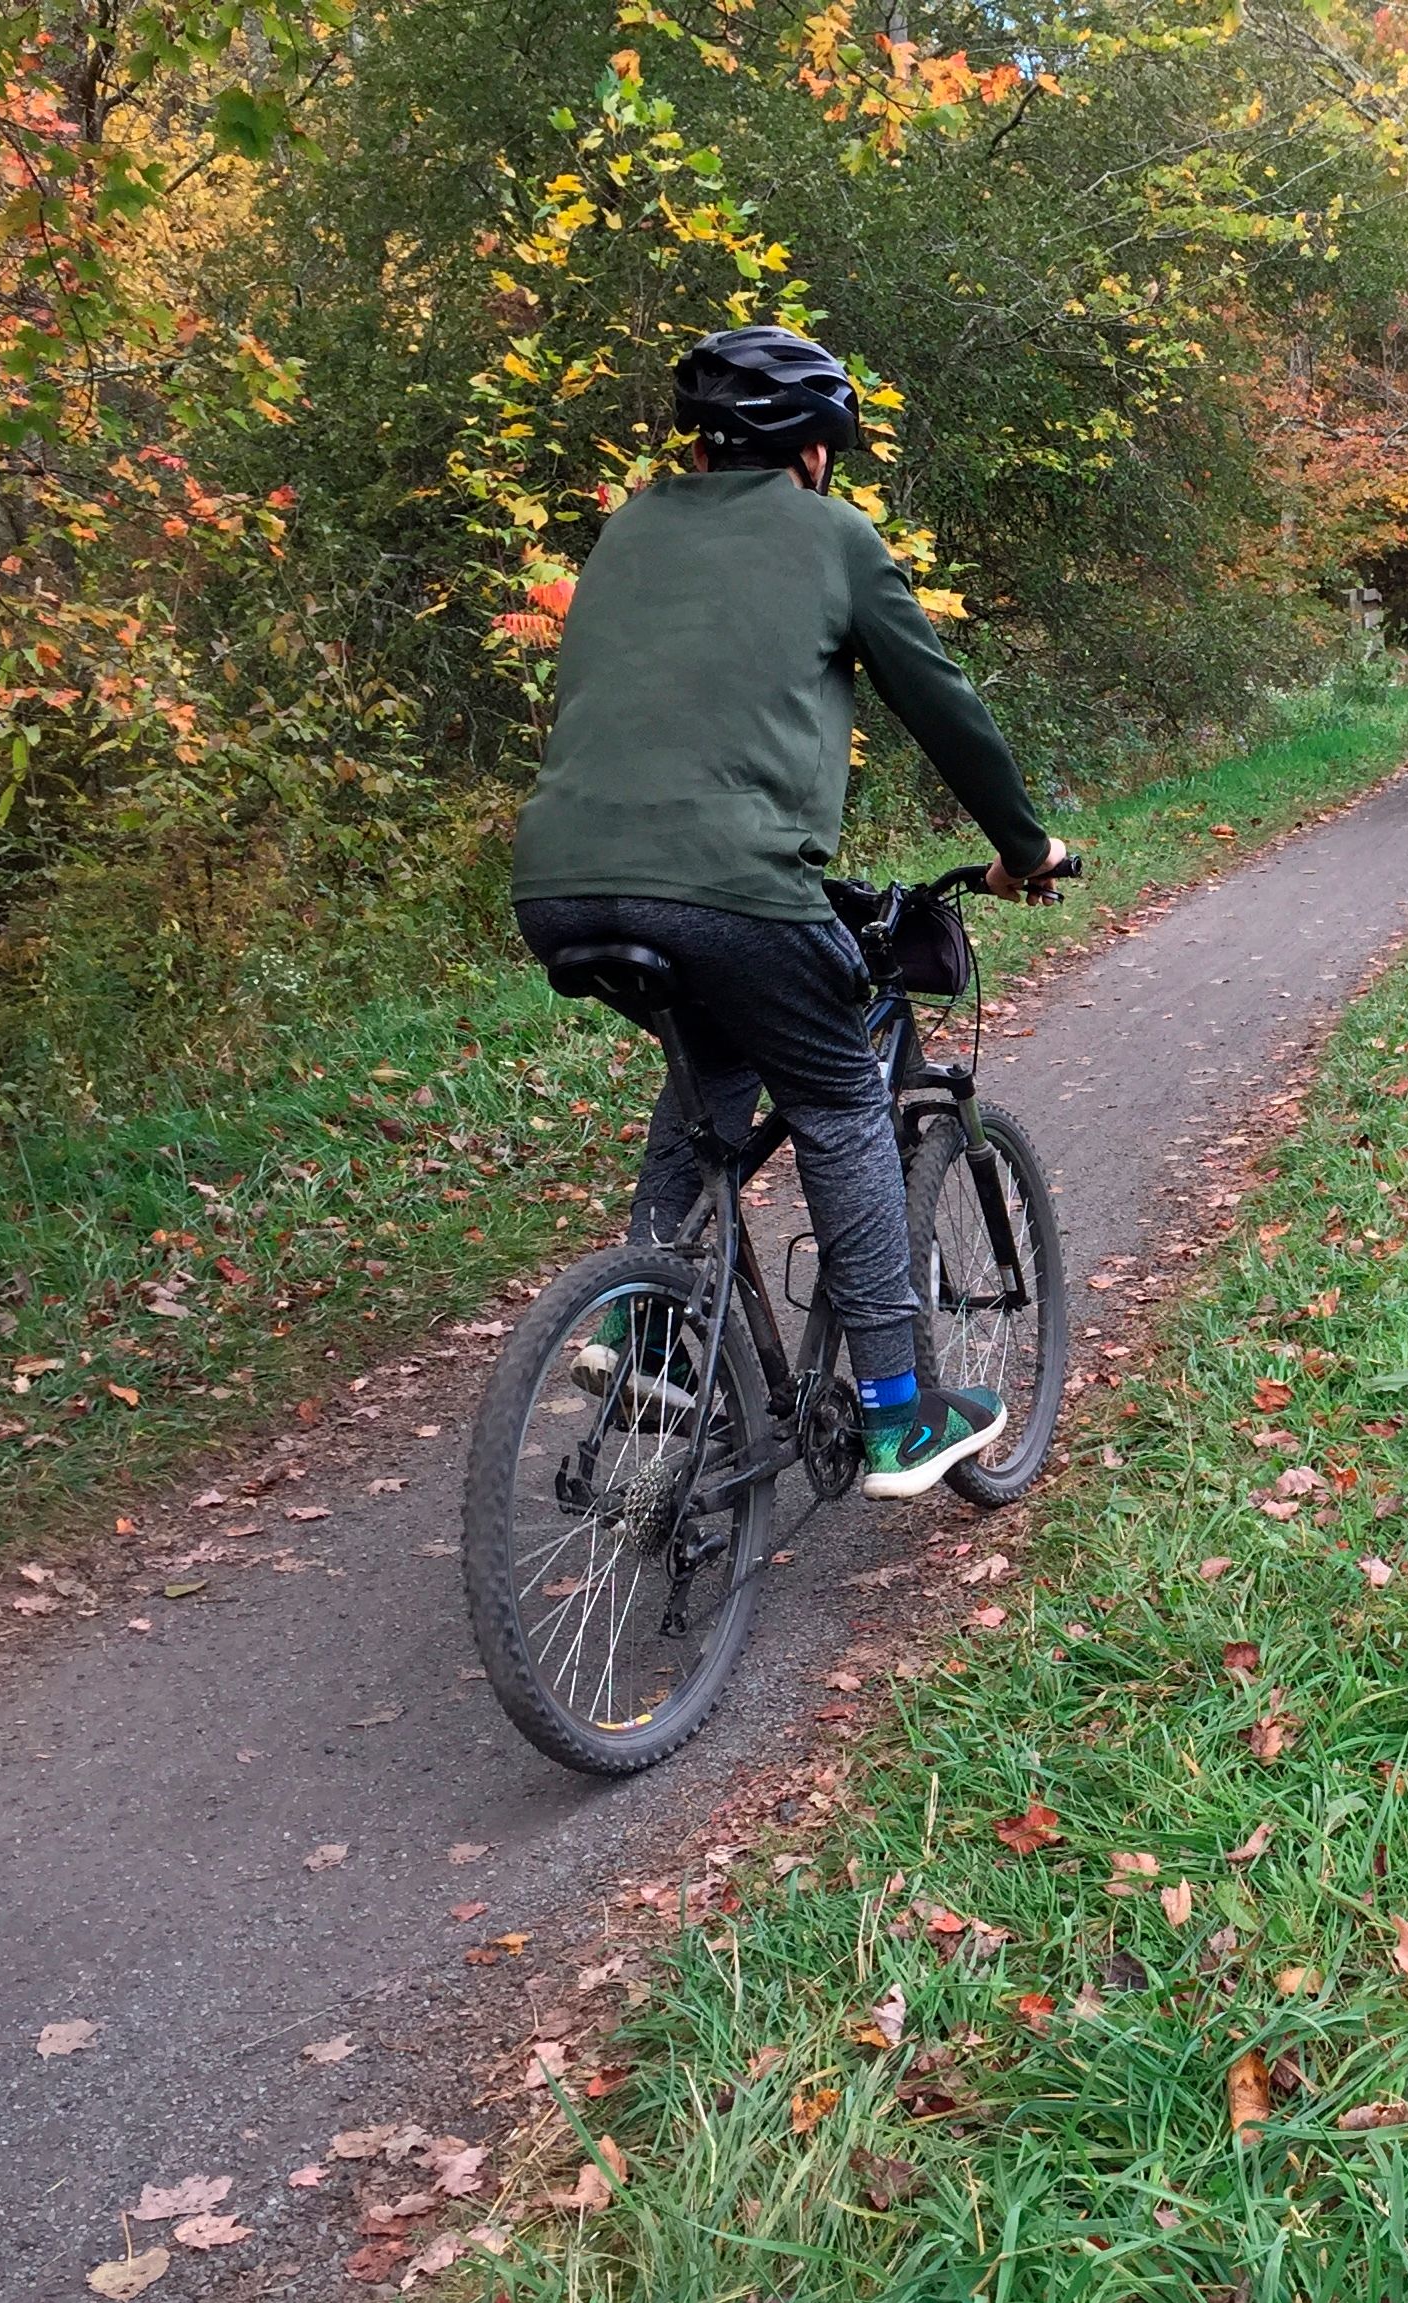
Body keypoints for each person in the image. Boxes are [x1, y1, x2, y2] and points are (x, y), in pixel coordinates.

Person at [510, 324, 1068, 1498]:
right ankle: (900, 1414)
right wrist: (1025, 847)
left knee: (710, 1057)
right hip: (736, 887)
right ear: (815, 449)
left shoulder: (626, 531)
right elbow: (941, 703)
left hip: (559, 888)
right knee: (836, 1096)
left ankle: (646, 1325)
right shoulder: (831, 537)